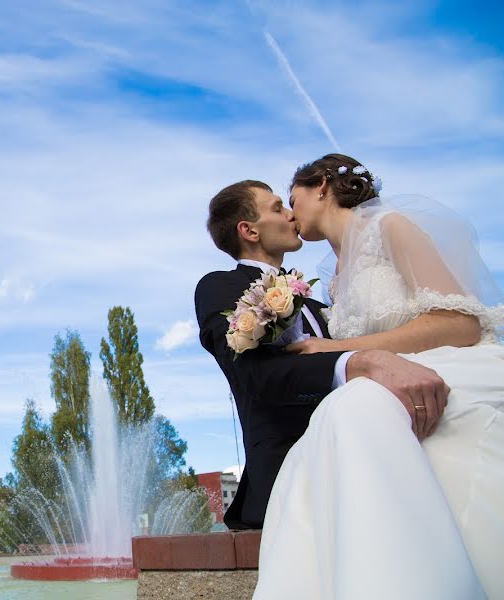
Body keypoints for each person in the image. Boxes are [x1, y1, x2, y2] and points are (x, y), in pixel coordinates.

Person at [253, 153, 504, 599]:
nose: (290, 215)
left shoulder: (391, 227)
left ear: (323, 186)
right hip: (382, 386)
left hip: (453, 363)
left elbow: (461, 324)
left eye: (293, 199)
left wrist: (342, 348)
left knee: (353, 410)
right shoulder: (331, 280)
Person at [195, 180, 451, 530]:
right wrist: (357, 361)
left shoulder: (320, 302)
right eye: (276, 208)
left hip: (378, 456)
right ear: (249, 230)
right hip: (292, 476)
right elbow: (252, 375)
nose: (291, 214)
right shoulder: (218, 287)